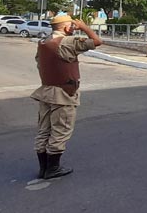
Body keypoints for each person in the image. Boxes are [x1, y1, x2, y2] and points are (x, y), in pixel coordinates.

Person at [31, 15, 103, 180]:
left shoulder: (43, 42)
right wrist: (84, 27)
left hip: (46, 91)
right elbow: (97, 41)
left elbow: (39, 63)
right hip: (63, 93)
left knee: (44, 130)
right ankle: (53, 168)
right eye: (71, 24)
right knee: (61, 130)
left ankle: (43, 168)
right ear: (66, 27)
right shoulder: (68, 42)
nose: (73, 27)